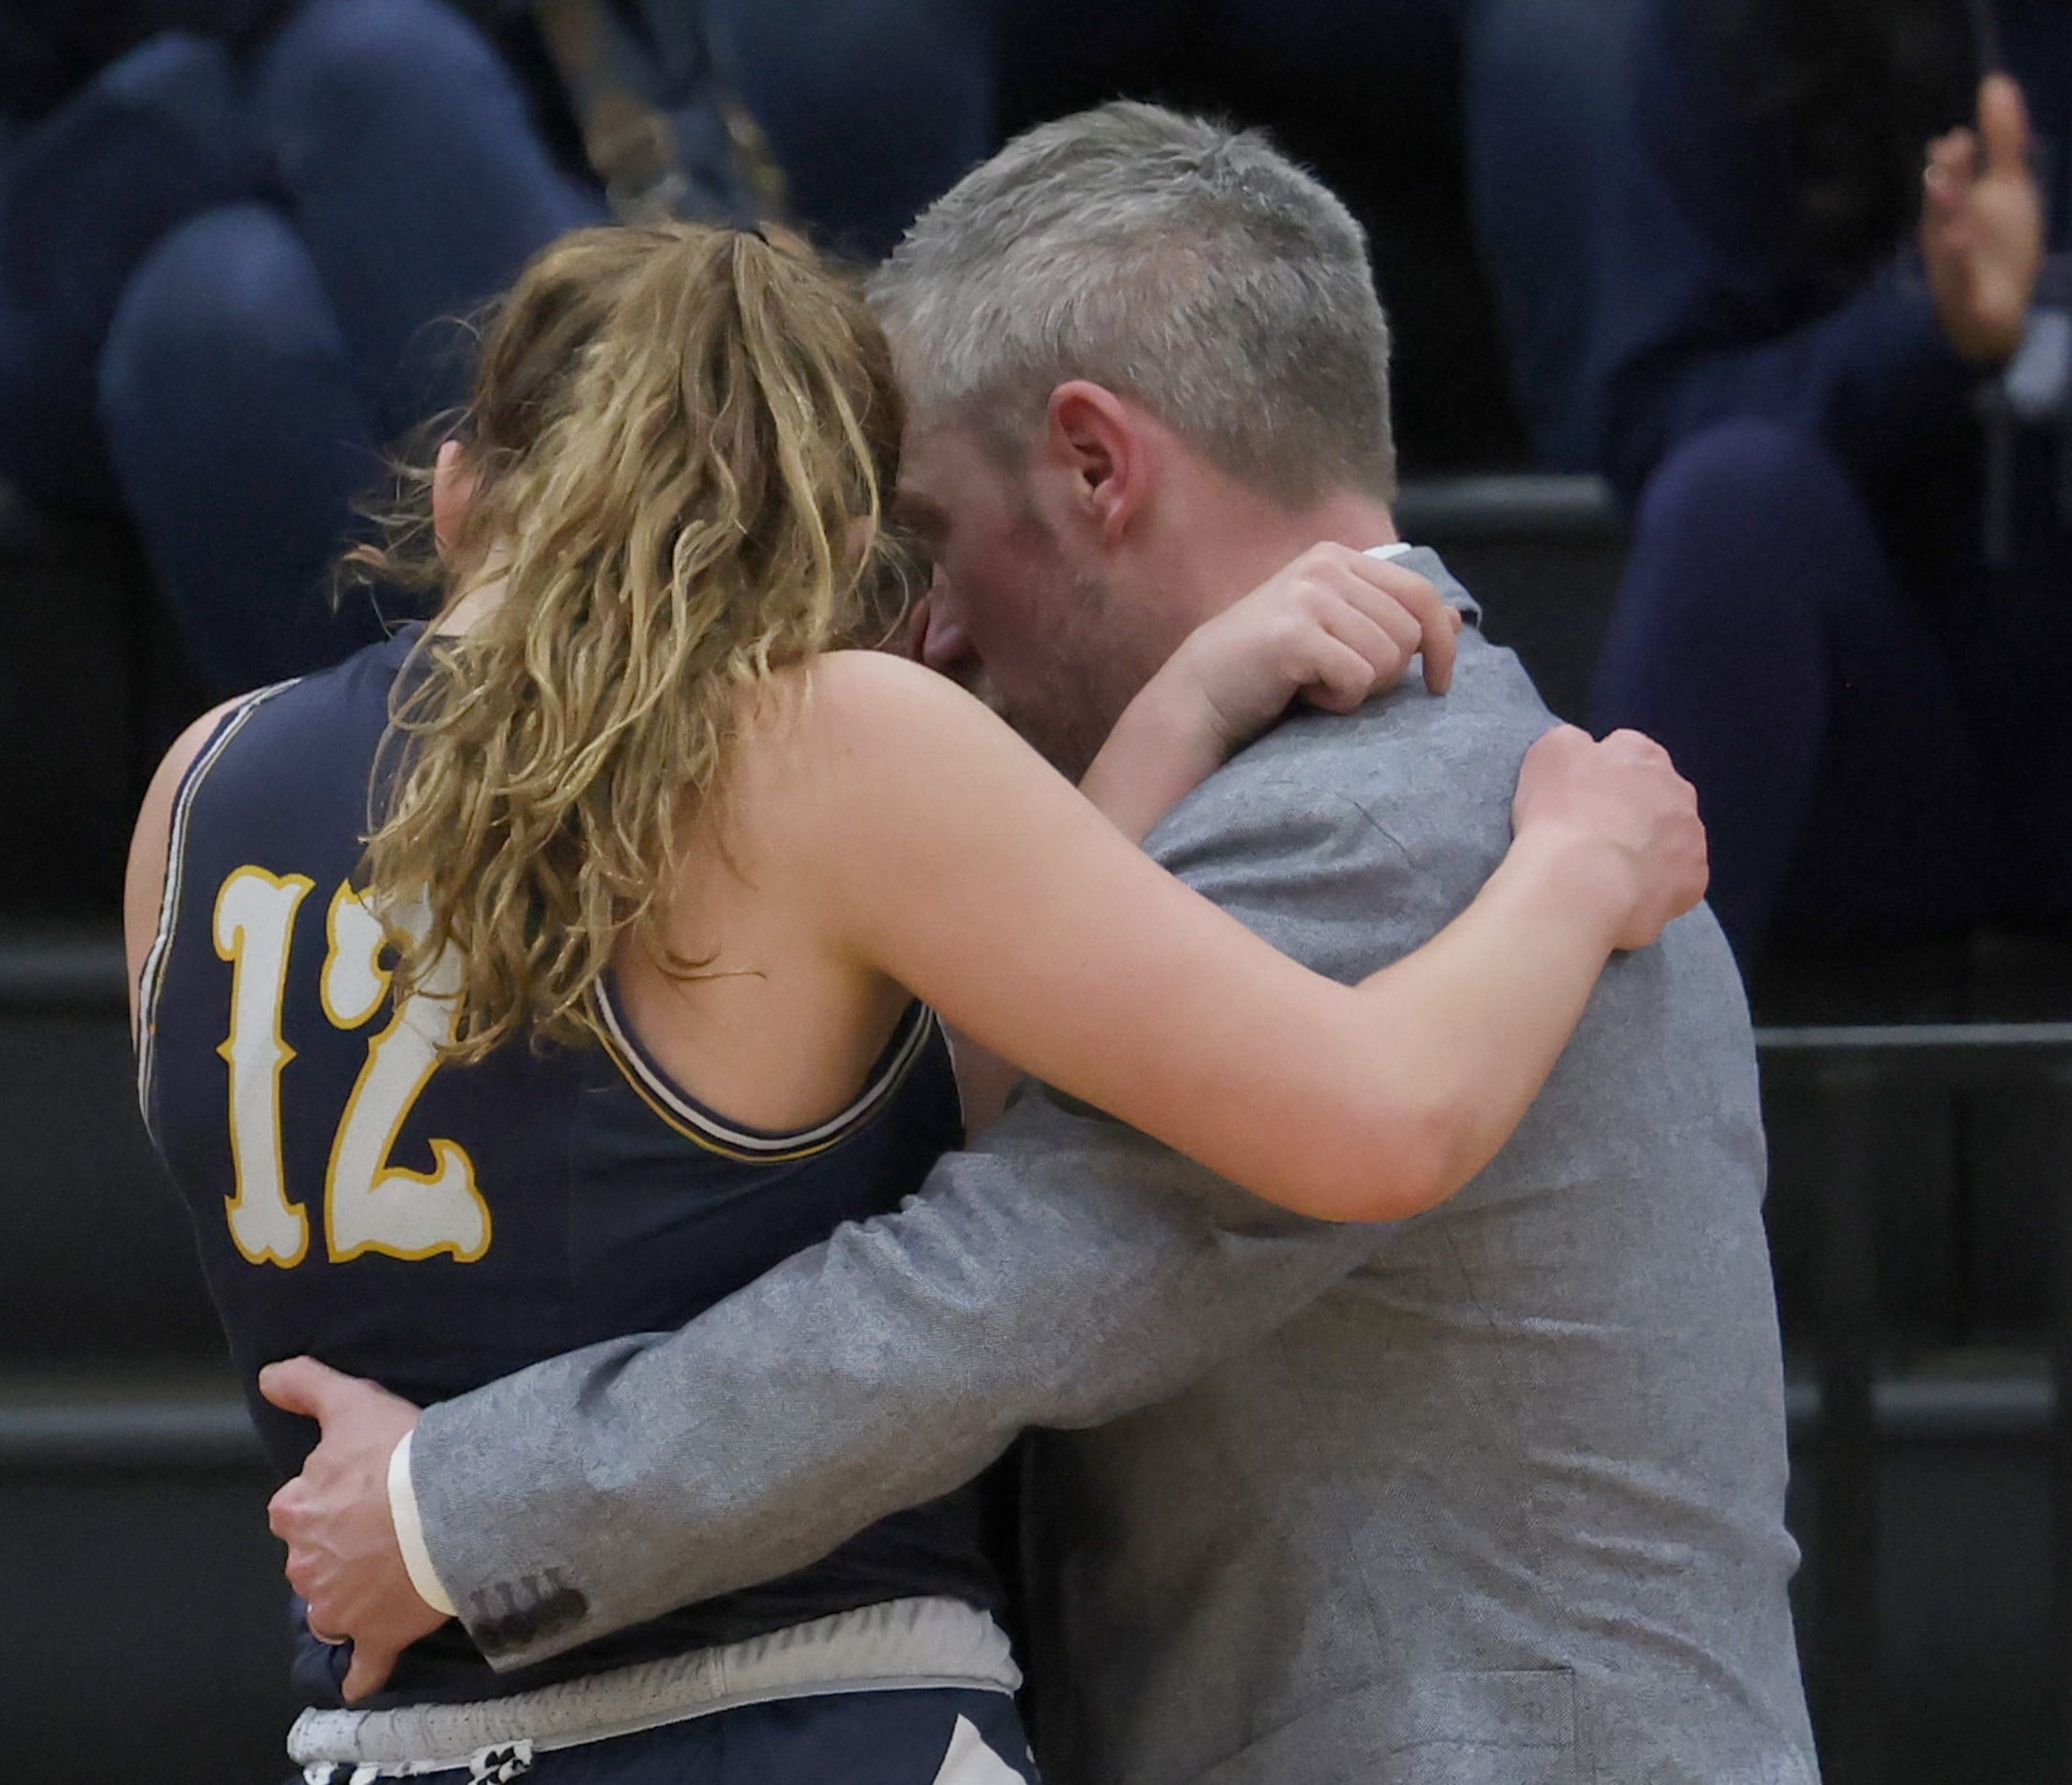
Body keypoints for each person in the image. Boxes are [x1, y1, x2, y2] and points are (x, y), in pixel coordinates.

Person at [265, 106, 1815, 1784]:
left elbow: (974, 1297)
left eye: (925, 534)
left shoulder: (1371, 818)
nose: (918, 624)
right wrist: (1182, 709)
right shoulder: (1403, 777)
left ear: (1094, 463)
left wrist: (444, 1513)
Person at [0, 0, 607, 694]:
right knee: (372, 61)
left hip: (473, 141)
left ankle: (382, 802)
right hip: (67, 204)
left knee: (219, 311)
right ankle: (604, 655)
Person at [1583, 0, 2069, 964]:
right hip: (1883, 730)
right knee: (1734, 498)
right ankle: (1595, 1070)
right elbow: (1653, 419)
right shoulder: (1735, 29)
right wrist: (1929, 336)